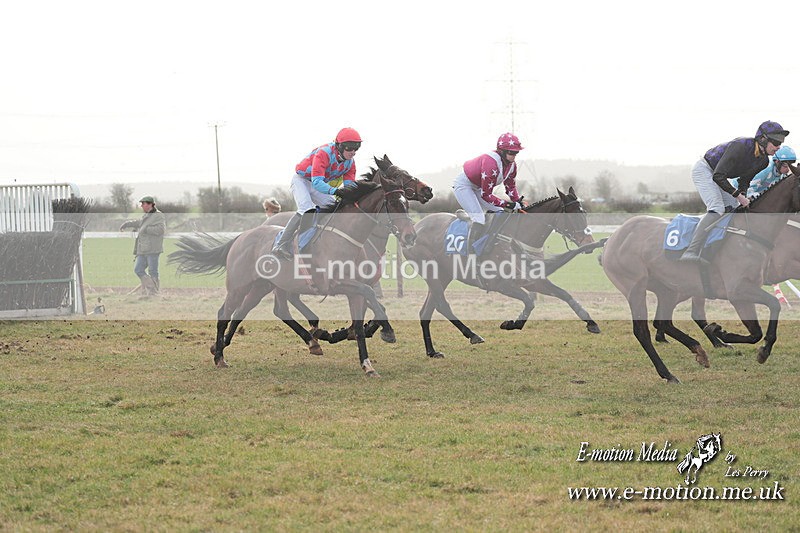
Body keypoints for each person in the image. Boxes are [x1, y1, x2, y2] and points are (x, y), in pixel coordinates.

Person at [680, 120, 789, 263]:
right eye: (776, 143)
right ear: (763, 139)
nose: (778, 147)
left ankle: (713, 247)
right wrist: (738, 195)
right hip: (705, 170)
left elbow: (744, 180)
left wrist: (742, 194)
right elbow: (718, 175)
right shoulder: (741, 146)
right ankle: (691, 251)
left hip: (719, 176)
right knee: (717, 207)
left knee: (734, 207)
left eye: (780, 143)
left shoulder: (763, 162)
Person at [271, 127, 361, 260]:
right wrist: (336, 191)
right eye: (350, 147)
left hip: (316, 184)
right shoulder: (324, 153)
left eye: (356, 147)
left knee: (335, 207)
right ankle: (281, 244)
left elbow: (349, 186)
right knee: (307, 209)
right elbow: (317, 182)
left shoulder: (350, 163)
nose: (353, 152)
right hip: (302, 180)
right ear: (339, 146)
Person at [453, 132, 527, 254]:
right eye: (511, 153)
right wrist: (509, 204)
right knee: (479, 218)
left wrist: (517, 201)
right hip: (464, 186)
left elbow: (510, 186)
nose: (514, 156)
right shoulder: (491, 163)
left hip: (478, 188)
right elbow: (486, 195)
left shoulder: (512, 166)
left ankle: (490, 243)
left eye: (516, 153)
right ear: (501, 151)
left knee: (501, 213)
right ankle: (471, 252)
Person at [119, 195, 166, 295]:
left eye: (143, 204)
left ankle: (153, 293)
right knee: (138, 269)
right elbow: (140, 223)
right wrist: (127, 224)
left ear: (150, 205)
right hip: (143, 248)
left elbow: (161, 230)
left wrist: (145, 229)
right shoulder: (147, 215)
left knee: (153, 271)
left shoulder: (158, 215)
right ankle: (152, 289)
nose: (141, 206)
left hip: (153, 248)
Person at [730, 145, 796, 197]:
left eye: (791, 165)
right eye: (785, 165)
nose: (788, 169)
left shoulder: (782, 175)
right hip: (735, 189)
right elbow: (749, 191)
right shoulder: (765, 169)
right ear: (777, 161)